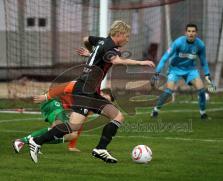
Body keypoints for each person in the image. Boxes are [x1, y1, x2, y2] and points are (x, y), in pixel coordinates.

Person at [28, 20, 155, 163]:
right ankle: (36, 141)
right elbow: (117, 61)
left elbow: (86, 39)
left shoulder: (102, 41)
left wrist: (91, 55)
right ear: (119, 34)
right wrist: (141, 62)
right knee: (72, 127)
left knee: (118, 116)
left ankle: (100, 149)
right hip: (84, 90)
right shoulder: (109, 48)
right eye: (126, 36)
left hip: (90, 90)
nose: (127, 39)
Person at [151, 23, 216, 120]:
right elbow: (165, 58)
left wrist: (207, 75)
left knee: (202, 90)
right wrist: (157, 73)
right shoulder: (178, 43)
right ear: (185, 32)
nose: (191, 33)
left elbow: (203, 62)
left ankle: (203, 114)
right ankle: (156, 110)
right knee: (168, 92)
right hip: (175, 69)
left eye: (193, 31)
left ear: (196, 33)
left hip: (190, 70)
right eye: (189, 31)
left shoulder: (200, 45)